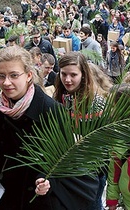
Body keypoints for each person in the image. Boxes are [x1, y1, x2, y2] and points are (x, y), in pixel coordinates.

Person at [0, 46, 98, 210]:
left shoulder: (52, 110)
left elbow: (60, 157)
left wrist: (44, 180)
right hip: (10, 185)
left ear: (28, 76)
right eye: (1, 76)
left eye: (14, 75)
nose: (6, 82)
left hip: (39, 192)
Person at [53, 51, 105, 210]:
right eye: (64, 74)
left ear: (84, 74)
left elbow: (103, 141)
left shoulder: (96, 102)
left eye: (73, 75)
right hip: (67, 170)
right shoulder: (61, 96)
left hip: (91, 172)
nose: (67, 80)